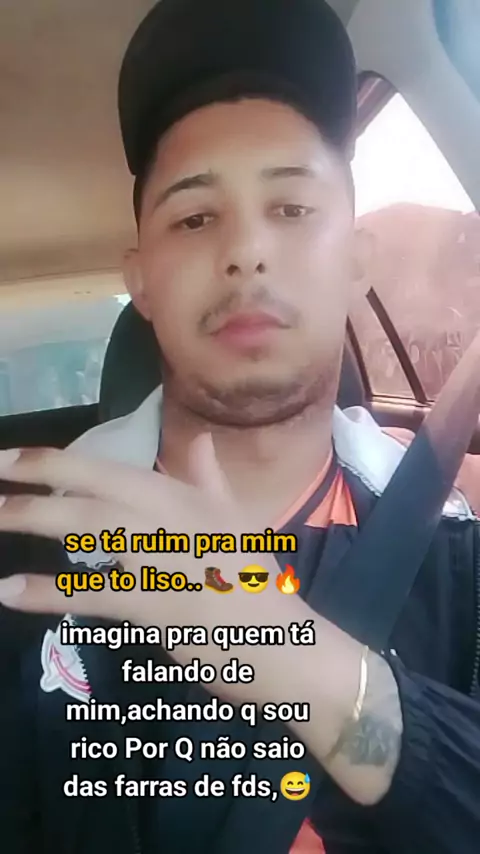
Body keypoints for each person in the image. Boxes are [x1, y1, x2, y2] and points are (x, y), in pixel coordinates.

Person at [0, 1, 479, 852]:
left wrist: (301, 662)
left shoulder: (455, 553)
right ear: (143, 283)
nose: (246, 249)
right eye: (194, 217)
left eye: (291, 208)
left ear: (357, 263)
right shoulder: (27, 555)